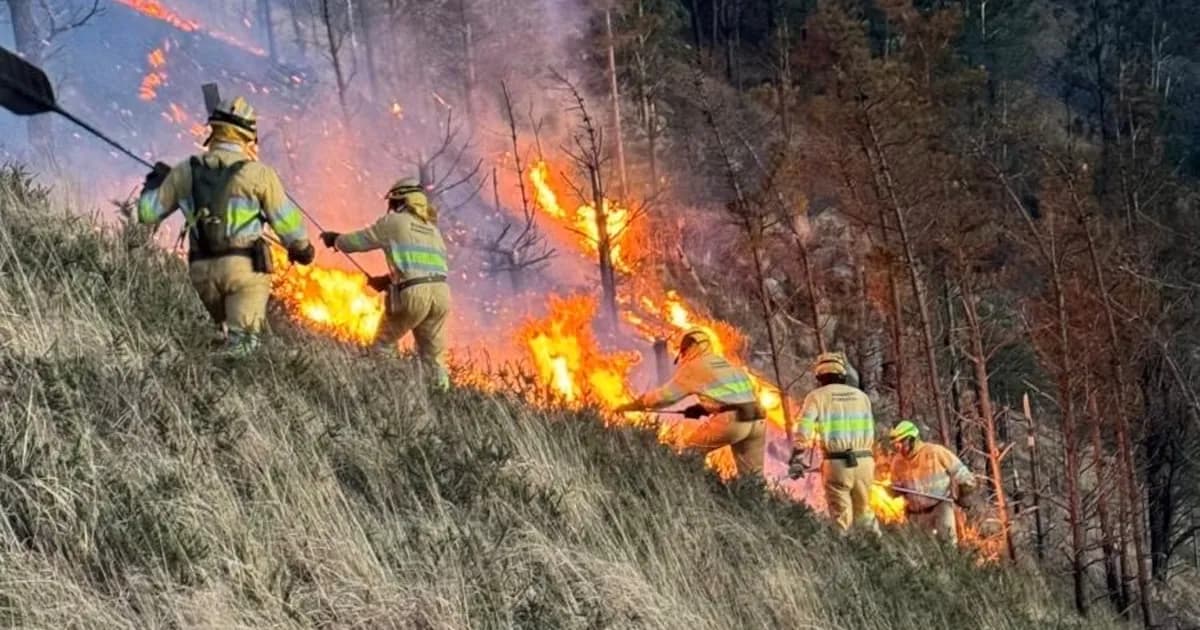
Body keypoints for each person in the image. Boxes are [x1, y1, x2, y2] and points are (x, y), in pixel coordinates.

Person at [137, 96, 315, 356]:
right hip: (244, 272)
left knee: (223, 333)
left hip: (202, 271)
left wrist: (154, 182)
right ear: (249, 135)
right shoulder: (259, 174)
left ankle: (206, 368)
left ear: (213, 129)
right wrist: (302, 249)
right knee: (242, 348)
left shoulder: (186, 170)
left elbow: (147, 213)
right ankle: (226, 385)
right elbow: (288, 224)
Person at [319, 177, 451, 390]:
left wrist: (336, 240)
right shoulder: (433, 230)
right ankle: (442, 396)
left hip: (412, 295)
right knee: (433, 356)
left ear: (400, 201)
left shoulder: (395, 222)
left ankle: (390, 391)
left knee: (383, 346)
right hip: (442, 295)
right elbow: (424, 267)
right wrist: (388, 280)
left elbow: (361, 240)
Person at [615, 328, 766, 475]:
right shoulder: (726, 364)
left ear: (690, 346)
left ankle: (691, 489)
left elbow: (665, 397)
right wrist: (703, 409)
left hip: (733, 421)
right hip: (758, 421)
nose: (682, 353)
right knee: (753, 478)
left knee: (689, 453)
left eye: (683, 349)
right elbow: (735, 397)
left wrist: (639, 403)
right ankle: (757, 500)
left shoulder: (695, 365)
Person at [789, 352, 878, 531]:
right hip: (865, 462)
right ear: (842, 375)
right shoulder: (862, 397)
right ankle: (874, 551)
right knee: (865, 512)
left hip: (837, 464)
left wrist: (797, 459)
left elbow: (804, 429)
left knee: (841, 516)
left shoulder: (817, 396)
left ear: (819, 376)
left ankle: (842, 553)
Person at [888, 420, 978, 545]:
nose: (899, 448)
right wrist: (893, 491)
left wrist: (964, 493)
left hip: (940, 508)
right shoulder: (897, 462)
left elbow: (964, 475)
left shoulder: (935, 452)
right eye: (896, 445)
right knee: (922, 554)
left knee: (948, 547)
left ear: (912, 439)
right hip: (916, 514)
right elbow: (897, 486)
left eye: (902, 442)